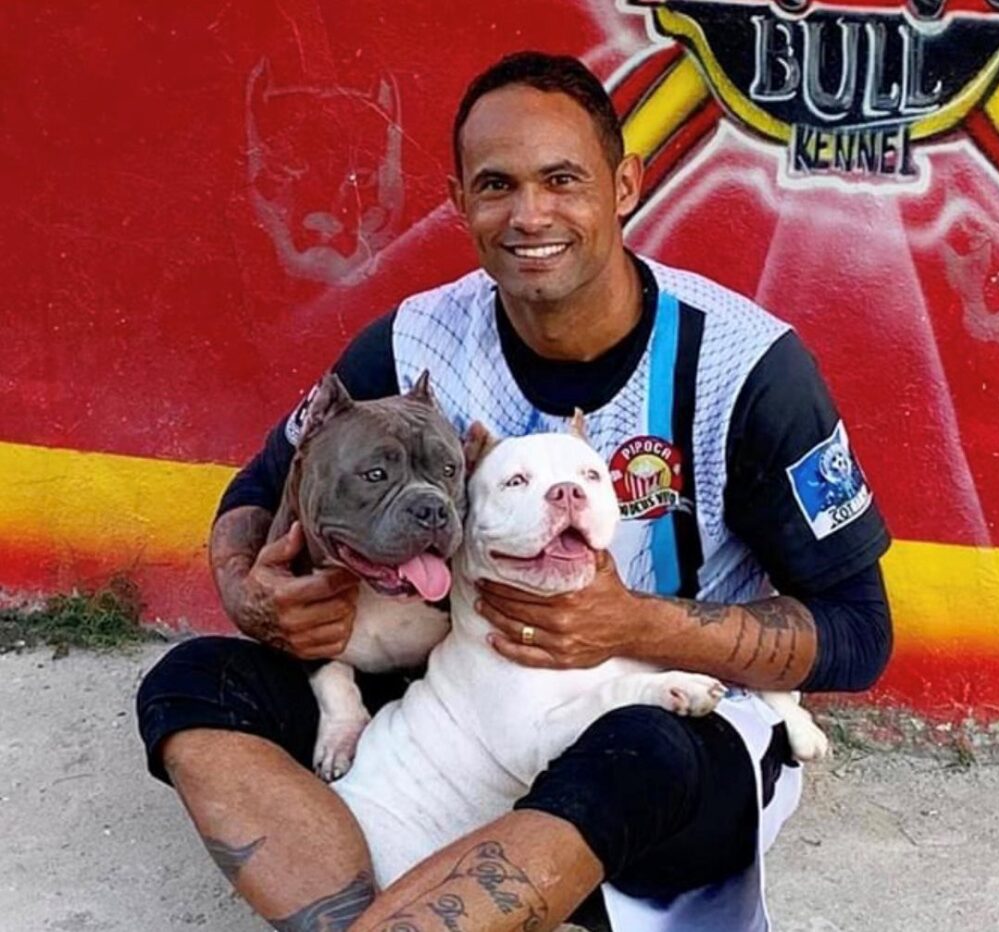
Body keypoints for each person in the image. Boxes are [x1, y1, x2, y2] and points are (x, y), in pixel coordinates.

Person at [137, 50, 893, 932]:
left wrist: (635, 625)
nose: (530, 215)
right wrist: (252, 592)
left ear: (624, 186)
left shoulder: (746, 366)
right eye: (497, 185)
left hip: (662, 718)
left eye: (563, 180)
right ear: (460, 202)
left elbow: (859, 634)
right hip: (455, 701)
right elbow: (268, 482)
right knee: (192, 682)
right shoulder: (413, 341)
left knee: (638, 749)